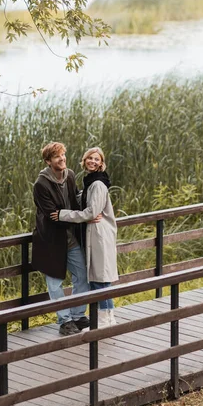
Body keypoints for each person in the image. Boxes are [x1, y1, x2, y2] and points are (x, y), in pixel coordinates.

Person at [50, 147, 118, 328]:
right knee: (100, 278)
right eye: (90, 158)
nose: (92, 161)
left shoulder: (97, 184)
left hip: (98, 235)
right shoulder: (91, 182)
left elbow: (90, 212)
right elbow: (85, 202)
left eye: (97, 159)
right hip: (96, 234)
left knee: (99, 279)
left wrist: (63, 214)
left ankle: (105, 320)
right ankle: (109, 317)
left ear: (101, 163)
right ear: (84, 160)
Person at [32, 141, 91, 336]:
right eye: (57, 156)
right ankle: (64, 321)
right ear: (48, 161)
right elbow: (52, 215)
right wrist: (76, 217)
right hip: (51, 241)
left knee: (82, 276)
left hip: (70, 239)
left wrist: (93, 208)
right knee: (54, 283)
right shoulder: (41, 184)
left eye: (63, 155)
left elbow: (74, 200)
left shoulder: (71, 175)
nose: (62, 159)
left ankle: (77, 315)